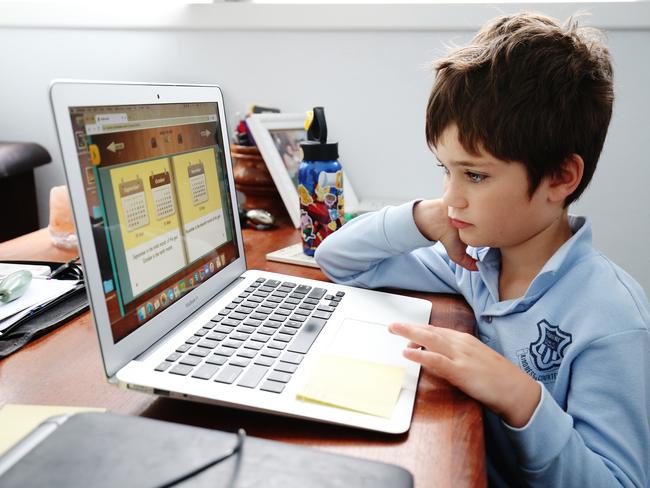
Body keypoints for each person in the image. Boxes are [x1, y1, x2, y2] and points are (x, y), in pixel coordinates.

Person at [314, 12, 649, 488]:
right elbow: (337, 260)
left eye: (474, 175)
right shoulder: (474, 262)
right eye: (445, 170)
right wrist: (421, 217)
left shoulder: (611, 319)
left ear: (560, 177)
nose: (452, 195)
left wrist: (522, 398)